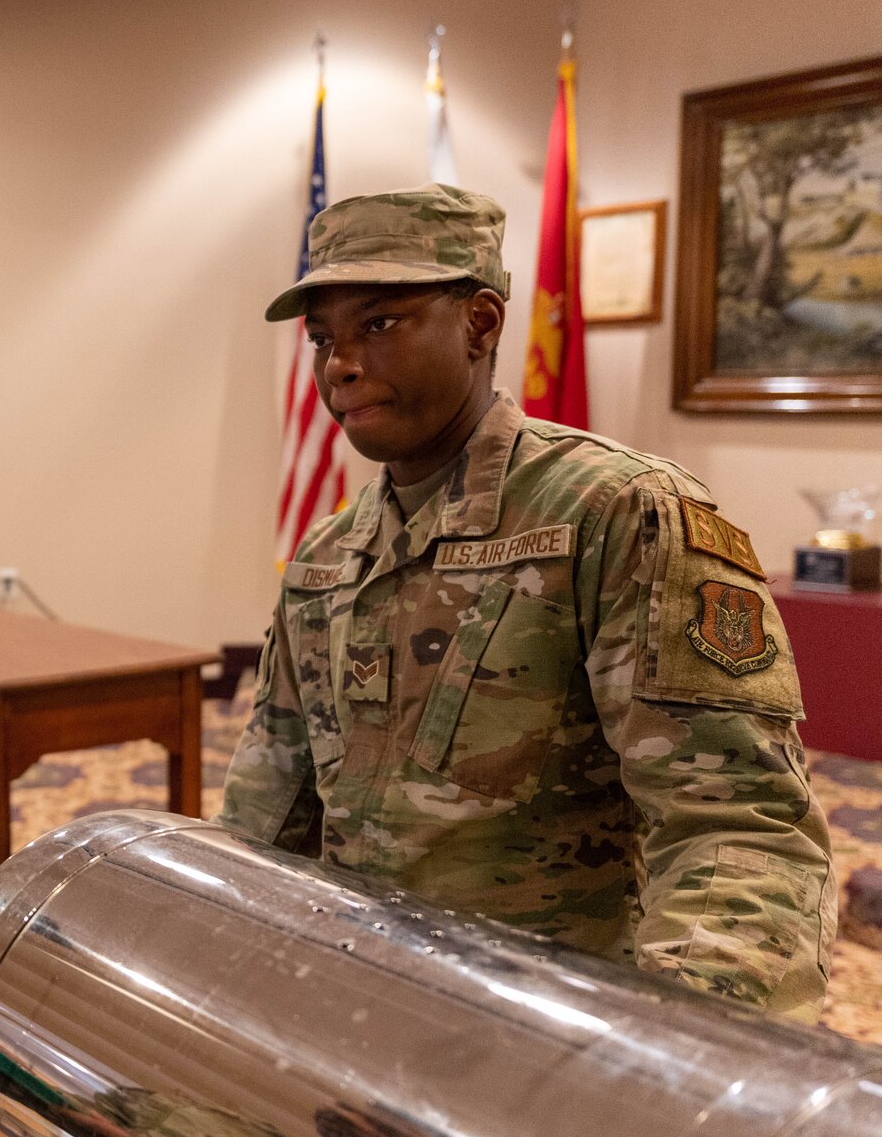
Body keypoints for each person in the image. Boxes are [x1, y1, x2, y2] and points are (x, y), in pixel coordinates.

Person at [220, 184, 835, 1019]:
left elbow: (738, 830)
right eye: (324, 337)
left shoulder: (618, 512)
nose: (339, 364)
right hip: (358, 1009)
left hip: (552, 1036)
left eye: (379, 323)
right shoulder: (328, 558)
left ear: (480, 323)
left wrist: (677, 1057)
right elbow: (268, 817)